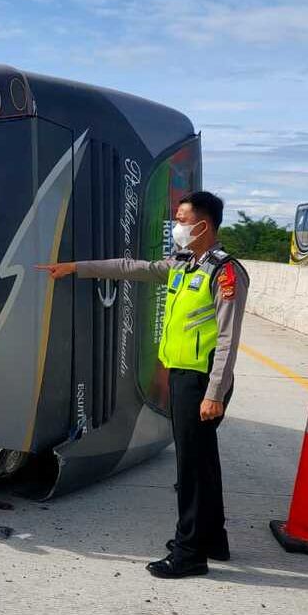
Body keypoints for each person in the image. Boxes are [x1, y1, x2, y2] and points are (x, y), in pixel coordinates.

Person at [36, 191, 249, 579]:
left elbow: (228, 340)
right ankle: (212, 540)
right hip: (184, 377)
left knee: (190, 469)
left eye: (183, 219)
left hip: (201, 383)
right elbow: (132, 267)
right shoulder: (185, 266)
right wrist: (76, 267)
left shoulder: (225, 272)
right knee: (203, 463)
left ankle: (189, 553)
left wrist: (215, 393)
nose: (177, 227)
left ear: (203, 225)